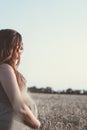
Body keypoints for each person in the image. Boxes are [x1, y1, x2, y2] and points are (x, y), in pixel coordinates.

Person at [0, 29, 41, 130]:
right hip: (10, 124)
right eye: (19, 45)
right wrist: (37, 124)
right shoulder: (5, 68)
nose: (22, 48)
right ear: (8, 47)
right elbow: (20, 107)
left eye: (22, 45)